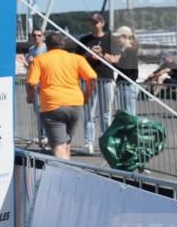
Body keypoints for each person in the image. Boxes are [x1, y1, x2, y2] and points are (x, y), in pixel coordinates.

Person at [27, 31, 97, 160]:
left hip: (53, 106)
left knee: (59, 146)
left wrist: (30, 97)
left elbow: (31, 83)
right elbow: (92, 78)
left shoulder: (40, 60)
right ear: (63, 44)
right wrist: (86, 95)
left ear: (47, 45)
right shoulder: (76, 58)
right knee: (66, 143)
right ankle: (68, 170)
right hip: (75, 104)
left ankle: (64, 173)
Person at [77, 12, 118, 153]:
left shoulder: (111, 39)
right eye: (91, 22)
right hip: (89, 79)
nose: (93, 24)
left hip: (106, 79)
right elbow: (77, 60)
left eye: (95, 22)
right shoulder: (84, 40)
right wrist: (87, 54)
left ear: (102, 23)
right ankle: (89, 142)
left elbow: (116, 59)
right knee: (89, 113)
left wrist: (101, 55)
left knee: (106, 113)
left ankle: (106, 142)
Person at [25, 28, 48, 147]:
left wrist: (36, 62)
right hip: (34, 83)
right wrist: (29, 63)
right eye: (34, 35)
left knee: (45, 110)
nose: (36, 37)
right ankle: (42, 134)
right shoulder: (31, 49)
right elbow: (29, 68)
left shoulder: (46, 49)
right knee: (37, 111)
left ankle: (45, 135)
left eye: (39, 35)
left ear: (43, 37)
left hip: (45, 83)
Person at [111, 26, 139, 115]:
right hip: (126, 85)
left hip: (128, 85)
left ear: (124, 37)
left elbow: (127, 69)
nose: (116, 39)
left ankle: (132, 129)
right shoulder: (128, 50)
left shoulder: (129, 51)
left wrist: (113, 62)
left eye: (118, 37)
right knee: (127, 113)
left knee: (129, 114)